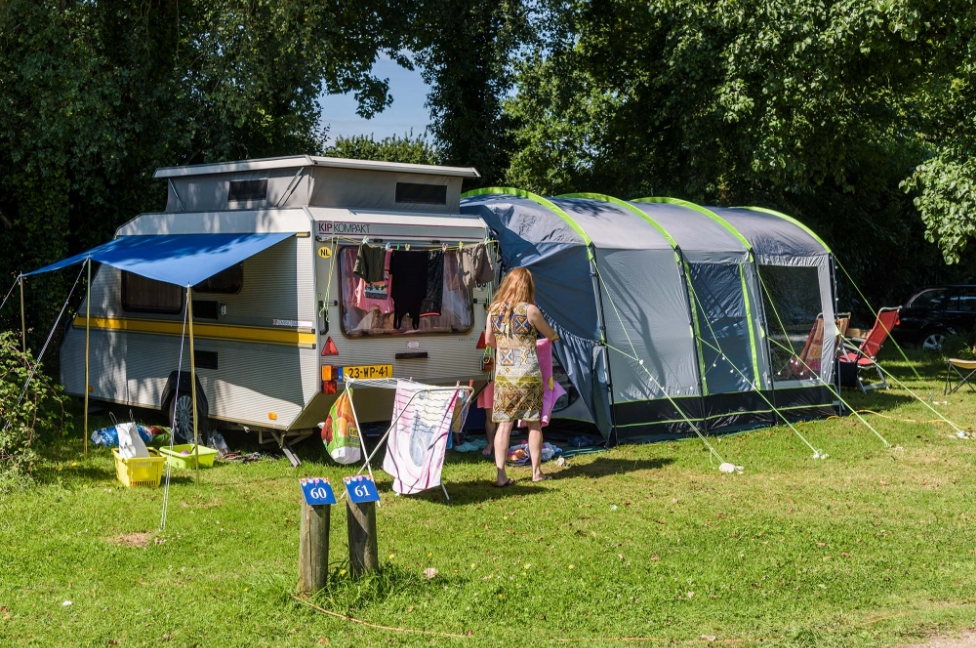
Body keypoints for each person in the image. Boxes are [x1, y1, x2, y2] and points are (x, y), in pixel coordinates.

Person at [484, 267, 559, 486]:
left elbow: (489, 341)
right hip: (528, 375)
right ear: (527, 286)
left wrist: (507, 348)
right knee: (533, 424)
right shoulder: (530, 310)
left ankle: (501, 476)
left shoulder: (494, 311)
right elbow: (549, 334)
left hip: (505, 376)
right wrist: (554, 337)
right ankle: (536, 472)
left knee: (504, 425)